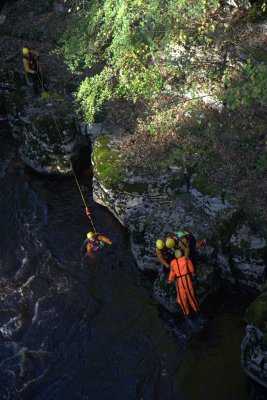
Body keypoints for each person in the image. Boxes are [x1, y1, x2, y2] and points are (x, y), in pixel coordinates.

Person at [168, 249, 200, 316]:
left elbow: (172, 272)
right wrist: (193, 274)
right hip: (186, 278)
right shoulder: (185, 258)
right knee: (190, 295)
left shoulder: (172, 262)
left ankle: (186, 313)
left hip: (179, 280)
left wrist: (170, 280)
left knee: (181, 298)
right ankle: (196, 310)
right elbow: (191, 266)